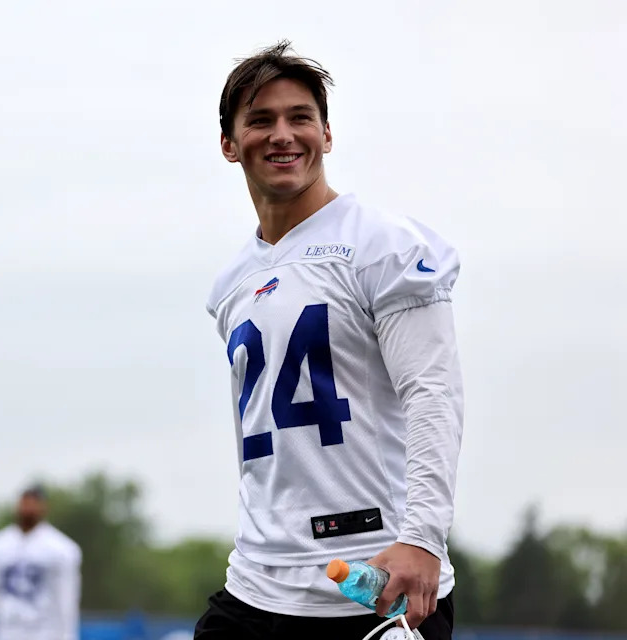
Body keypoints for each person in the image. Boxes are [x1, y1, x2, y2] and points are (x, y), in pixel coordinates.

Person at [194, 40, 465, 640]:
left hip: (371, 581)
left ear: (327, 134)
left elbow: (432, 393)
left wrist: (423, 537)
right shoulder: (232, 282)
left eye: (300, 117)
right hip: (257, 582)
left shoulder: (382, 245)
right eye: (260, 120)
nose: (282, 134)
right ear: (229, 144)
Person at [0, 485, 82, 640]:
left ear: (43, 507)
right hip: (7, 631)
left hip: (45, 632)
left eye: (33, 503)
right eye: (25, 503)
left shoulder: (61, 549)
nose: (28, 509)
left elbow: (67, 598)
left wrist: (69, 635)